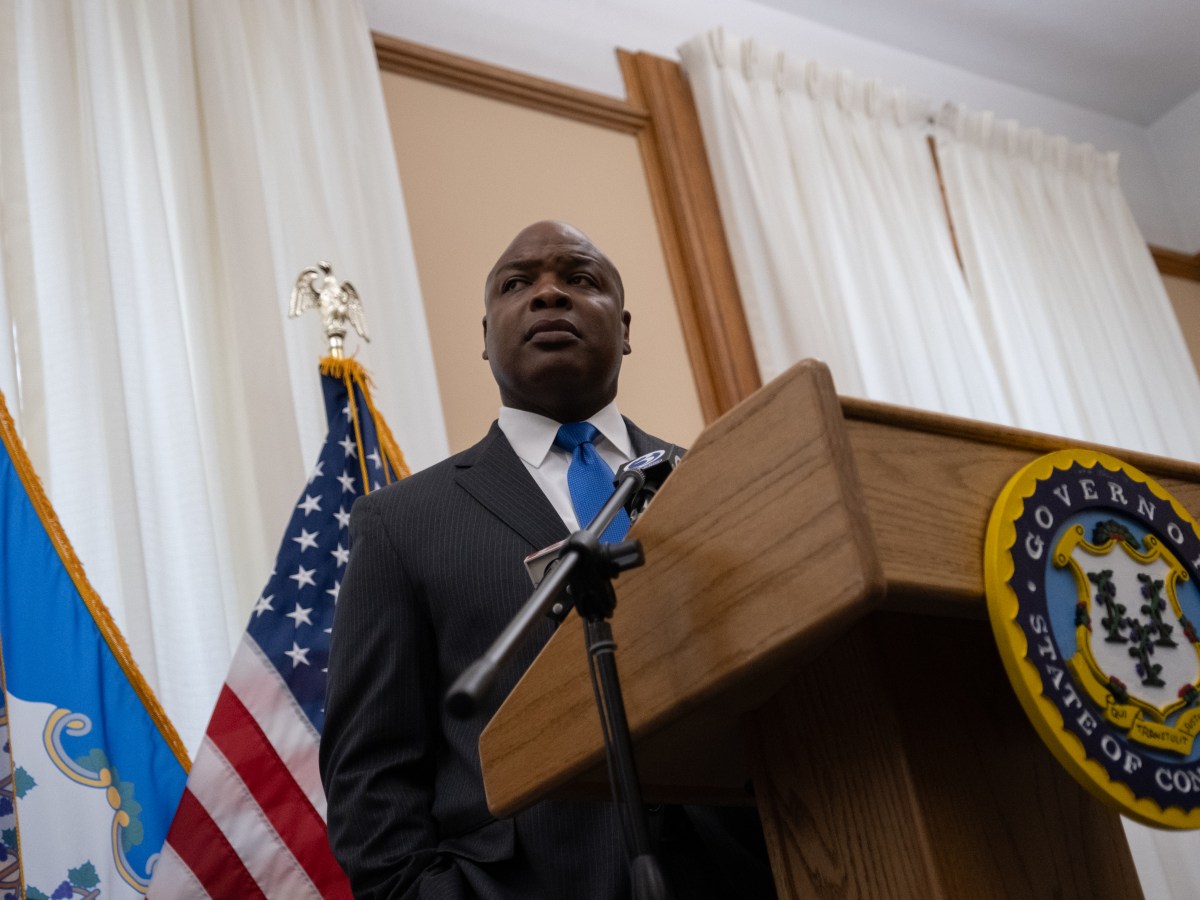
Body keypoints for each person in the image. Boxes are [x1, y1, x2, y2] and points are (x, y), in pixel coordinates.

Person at [320, 221, 774, 899]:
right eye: (517, 284)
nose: (548, 295)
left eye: (580, 280)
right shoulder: (401, 524)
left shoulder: (717, 482)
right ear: (483, 337)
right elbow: (371, 771)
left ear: (623, 329)